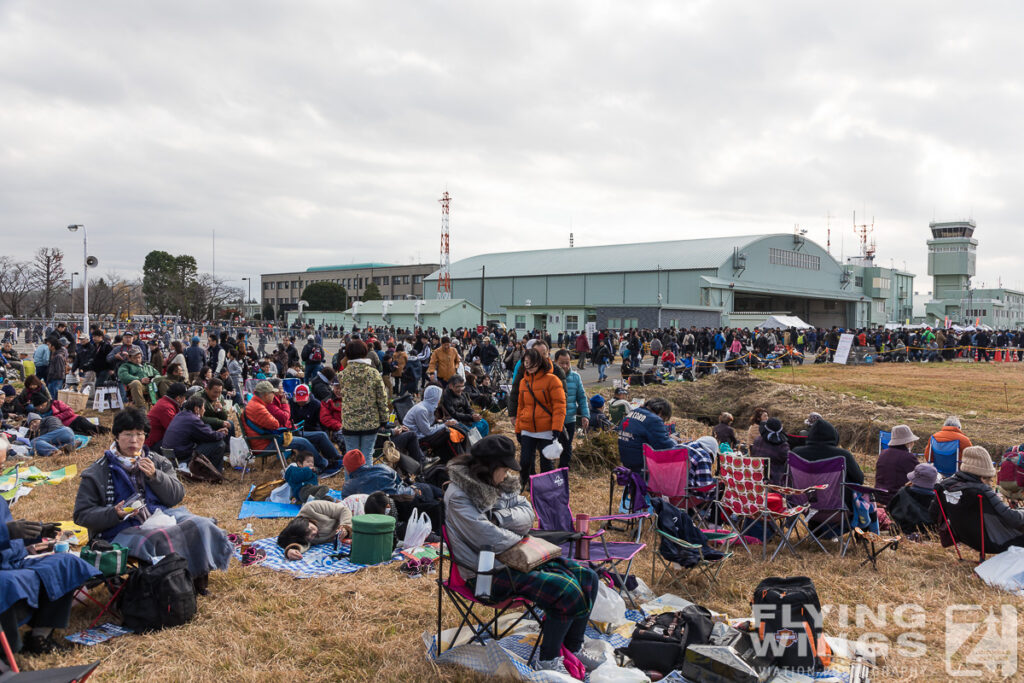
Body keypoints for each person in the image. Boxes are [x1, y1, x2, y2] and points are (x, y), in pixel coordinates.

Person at [445, 435, 602, 675]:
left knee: (588, 577)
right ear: (488, 467)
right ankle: (547, 661)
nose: (507, 473)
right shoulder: (459, 495)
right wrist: (520, 537)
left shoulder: (501, 483)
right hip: (484, 572)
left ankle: (571, 649)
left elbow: (527, 514)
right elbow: (486, 538)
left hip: (517, 558)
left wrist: (500, 518)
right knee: (566, 590)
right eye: (504, 468)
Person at [72, 408, 232, 594]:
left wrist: (156, 476)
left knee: (202, 525)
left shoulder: (157, 461)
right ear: (116, 436)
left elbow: (176, 496)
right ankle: (164, 586)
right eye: (128, 435)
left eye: (139, 435)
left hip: (159, 516)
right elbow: (81, 515)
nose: (134, 441)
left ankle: (196, 580)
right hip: (119, 529)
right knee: (160, 538)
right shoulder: (97, 472)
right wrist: (114, 513)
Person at [0, 435, 101, 654]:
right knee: (8, 584)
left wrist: (37, 532)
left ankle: (40, 637)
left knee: (65, 563)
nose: (1, 471)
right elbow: (6, 532)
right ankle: (9, 651)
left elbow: (12, 532)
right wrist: (6, 532)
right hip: (3, 570)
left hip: (14, 560)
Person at [930, 447, 1024, 554]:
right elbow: (1013, 519)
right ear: (982, 476)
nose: (989, 483)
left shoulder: (944, 486)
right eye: (988, 479)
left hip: (967, 539)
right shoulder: (981, 491)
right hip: (995, 543)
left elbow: (933, 514)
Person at [244, 381, 341, 475]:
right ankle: (323, 464)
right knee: (303, 442)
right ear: (265, 394)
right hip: (267, 442)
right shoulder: (258, 407)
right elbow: (275, 424)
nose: (275, 395)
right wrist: (285, 405)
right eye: (273, 393)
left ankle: (336, 459)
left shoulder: (257, 404)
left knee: (320, 435)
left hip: (271, 437)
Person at [514, 348, 567, 487]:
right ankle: (523, 484)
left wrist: (557, 427)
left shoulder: (552, 380)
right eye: (526, 362)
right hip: (527, 427)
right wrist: (518, 429)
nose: (528, 366)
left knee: (546, 463)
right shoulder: (523, 382)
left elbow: (559, 406)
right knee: (524, 461)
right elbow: (521, 407)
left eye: (532, 364)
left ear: (539, 363)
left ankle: (547, 489)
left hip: (546, 428)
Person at [794, 418, 864, 506]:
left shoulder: (796, 454)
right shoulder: (843, 455)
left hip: (801, 506)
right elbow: (859, 479)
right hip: (835, 508)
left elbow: (787, 476)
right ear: (834, 436)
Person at [339, 339, 389, 457]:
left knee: (351, 457)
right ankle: (366, 475)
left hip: (350, 422)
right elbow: (382, 398)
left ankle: (351, 476)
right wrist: (384, 419)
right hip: (370, 422)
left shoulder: (342, 375)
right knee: (367, 455)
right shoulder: (373, 373)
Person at [161, 395, 228, 478]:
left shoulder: (180, 415)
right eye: (203, 408)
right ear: (197, 409)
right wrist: (222, 434)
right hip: (182, 457)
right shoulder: (193, 419)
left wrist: (215, 433)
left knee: (208, 428)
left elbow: (205, 433)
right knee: (219, 444)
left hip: (172, 456)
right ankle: (213, 473)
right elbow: (211, 436)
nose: (204, 410)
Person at [277, 499, 353, 562]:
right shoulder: (305, 538)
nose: (314, 532)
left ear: (305, 521)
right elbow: (302, 545)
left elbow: (343, 510)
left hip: (353, 509)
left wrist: (345, 527)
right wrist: (291, 550)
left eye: (310, 529)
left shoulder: (311, 508)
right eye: (310, 536)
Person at [403, 385, 464, 463]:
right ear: (434, 397)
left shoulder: (425, 406)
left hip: (421, 434)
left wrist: (442, 423)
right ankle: (458, 459)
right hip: (418, 438)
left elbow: (428, 426)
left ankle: (454, 458)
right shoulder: (421, 410)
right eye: (439, 397)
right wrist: (445, 424)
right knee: (447, 432)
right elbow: (427, 431)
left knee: (450, 431)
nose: (439, 400)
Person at [617, 397, 677, 472]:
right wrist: (674, 440)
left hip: (627, 463)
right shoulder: (654, 419)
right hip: (643, 467)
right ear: (661, 412)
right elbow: (666, 447)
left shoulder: (632, 413)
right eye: (663, 419)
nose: (663, 422)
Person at [553, 349, 589, 470]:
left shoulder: (575, 377)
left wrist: (585, 415)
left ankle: (563, 469)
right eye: (561, 363)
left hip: (569, 418)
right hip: (552, 419)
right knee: (552, 445)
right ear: (555, 362)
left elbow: (582, 398)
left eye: (567, 363)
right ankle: (550, 470)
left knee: (567, 446)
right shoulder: (550, 377)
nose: (564, 366)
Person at [875, 425, 921, 506]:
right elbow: (920, 477)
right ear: (908, 442)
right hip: (897, 499)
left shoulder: (883, 454)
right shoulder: (908, 457)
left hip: (878, 496)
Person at [887, 463, 938, 536]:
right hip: (930, 534)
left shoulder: (903, 493)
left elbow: (890, 510)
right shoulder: (938, 498)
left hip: (903, 531)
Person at [748, 417, 792, 485]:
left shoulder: (757, 440)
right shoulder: (782, 447)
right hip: (773, 483)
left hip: (755, 479)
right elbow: (790, 464)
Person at [145, 382, 188, 450]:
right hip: (153, 445)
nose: (185, 400)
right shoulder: (166, 408)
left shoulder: (165, 402)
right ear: (178, 398)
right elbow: (175, 430)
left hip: (157, 440)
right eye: (184, 397)